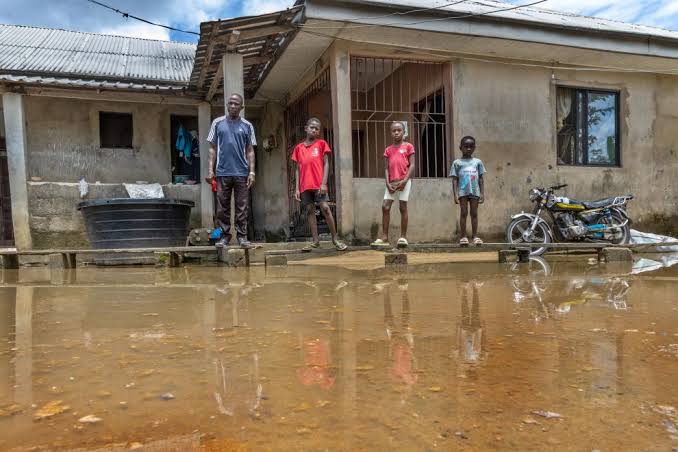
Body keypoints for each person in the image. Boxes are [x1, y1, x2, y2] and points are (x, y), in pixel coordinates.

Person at [206, 93, 256, 248]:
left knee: (242, 206)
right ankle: (224, 237)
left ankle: (242, 237)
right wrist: (210, 170)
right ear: (227, 105)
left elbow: (250, 150)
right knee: (222, 207)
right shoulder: (217, 123)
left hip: (242, 173)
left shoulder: (247, 126)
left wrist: (252, 172)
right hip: (222, 172)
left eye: (236, 104)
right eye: (230, 103)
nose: (233, 106)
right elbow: (212, 149)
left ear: (242, 107)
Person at [292, 117, 347, 251]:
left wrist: (324, 183)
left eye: (317, 129)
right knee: (310, 211)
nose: (315, 130)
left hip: (318, 185)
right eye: (312, 127)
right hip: (305, 186)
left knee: (325, 208)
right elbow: (297, 169)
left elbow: (326, 163)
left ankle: (335, 239)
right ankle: (315, 241)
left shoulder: (321, 144)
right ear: (306, 128)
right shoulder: (298, 148)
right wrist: (297, 189)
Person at [371, 121, 415, 248]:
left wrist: (405, 180)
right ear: (391, 133)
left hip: (404, 181)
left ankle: (403, 237)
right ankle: (384, 237)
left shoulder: (408, 146)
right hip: (391, 182)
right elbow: (386, 168)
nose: (396, 132)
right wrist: (387, 182)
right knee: (385, 207)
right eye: (394, 131)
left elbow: (412, 165)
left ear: (403, 132)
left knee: (402, 207)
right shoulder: (388, 150)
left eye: (399, 130)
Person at [450, 136, 485, 246]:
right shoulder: (457, 163)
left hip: (475, 191)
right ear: (461, 148)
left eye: (471, 147)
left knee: (474, 213)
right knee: (463, 213)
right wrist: (455, 194)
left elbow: (481, 178)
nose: (468, 149)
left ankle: (475, 236)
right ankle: (463, 236)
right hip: (462, 192)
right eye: (466, 147)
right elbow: (454, 179)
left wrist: (482, 193)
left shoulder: (478, 162)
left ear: (474, 147)